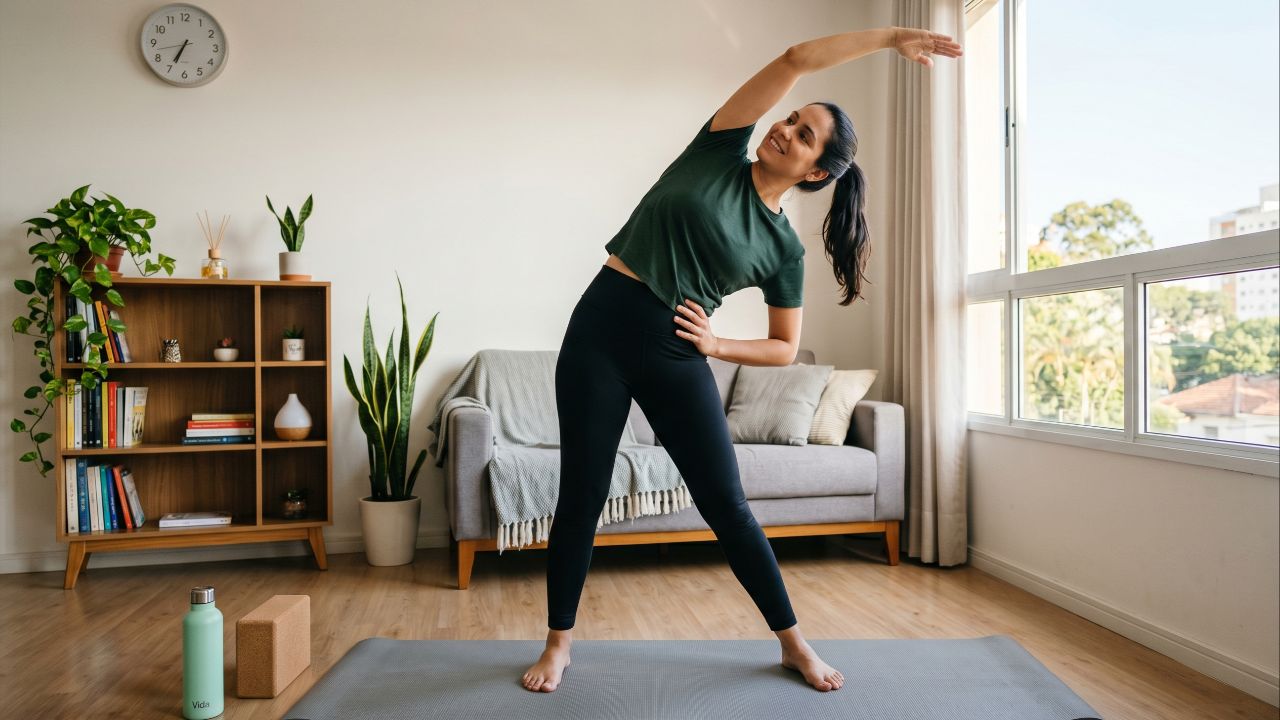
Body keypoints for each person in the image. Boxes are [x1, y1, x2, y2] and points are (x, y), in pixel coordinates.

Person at [522, 25, 962, 694]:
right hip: (600, 328)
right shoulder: (719, 147)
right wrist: (891, 37)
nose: (785, 129)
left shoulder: (784, 250)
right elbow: (795, 58)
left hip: (675, 350)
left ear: (816, 173)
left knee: (727, 504)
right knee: (581, 492)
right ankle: (559, 643)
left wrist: (717, 345)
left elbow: (783, 346)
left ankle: (793, 643)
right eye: (791, 118)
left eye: (804, 135)